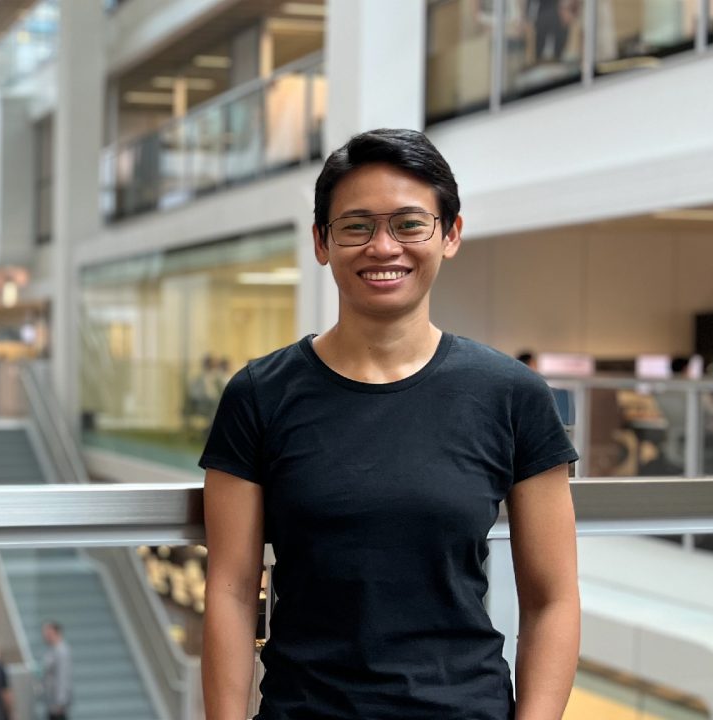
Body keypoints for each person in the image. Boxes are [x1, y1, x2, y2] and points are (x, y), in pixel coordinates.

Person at [200, 129, 580, 720]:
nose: (383, 247)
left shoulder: (512, 395)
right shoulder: (259, 395)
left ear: (450, 235)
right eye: (356, 226)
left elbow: (552, 598)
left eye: (409, 225)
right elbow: (229, 592)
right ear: (321, 242)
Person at [41, 621, 72, 720]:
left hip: (57, 702)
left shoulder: (61, 651)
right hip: (51, 700)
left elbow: (63, 677)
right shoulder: (51, 650)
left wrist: (60, 701)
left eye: (48, 633)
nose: (45, 636)